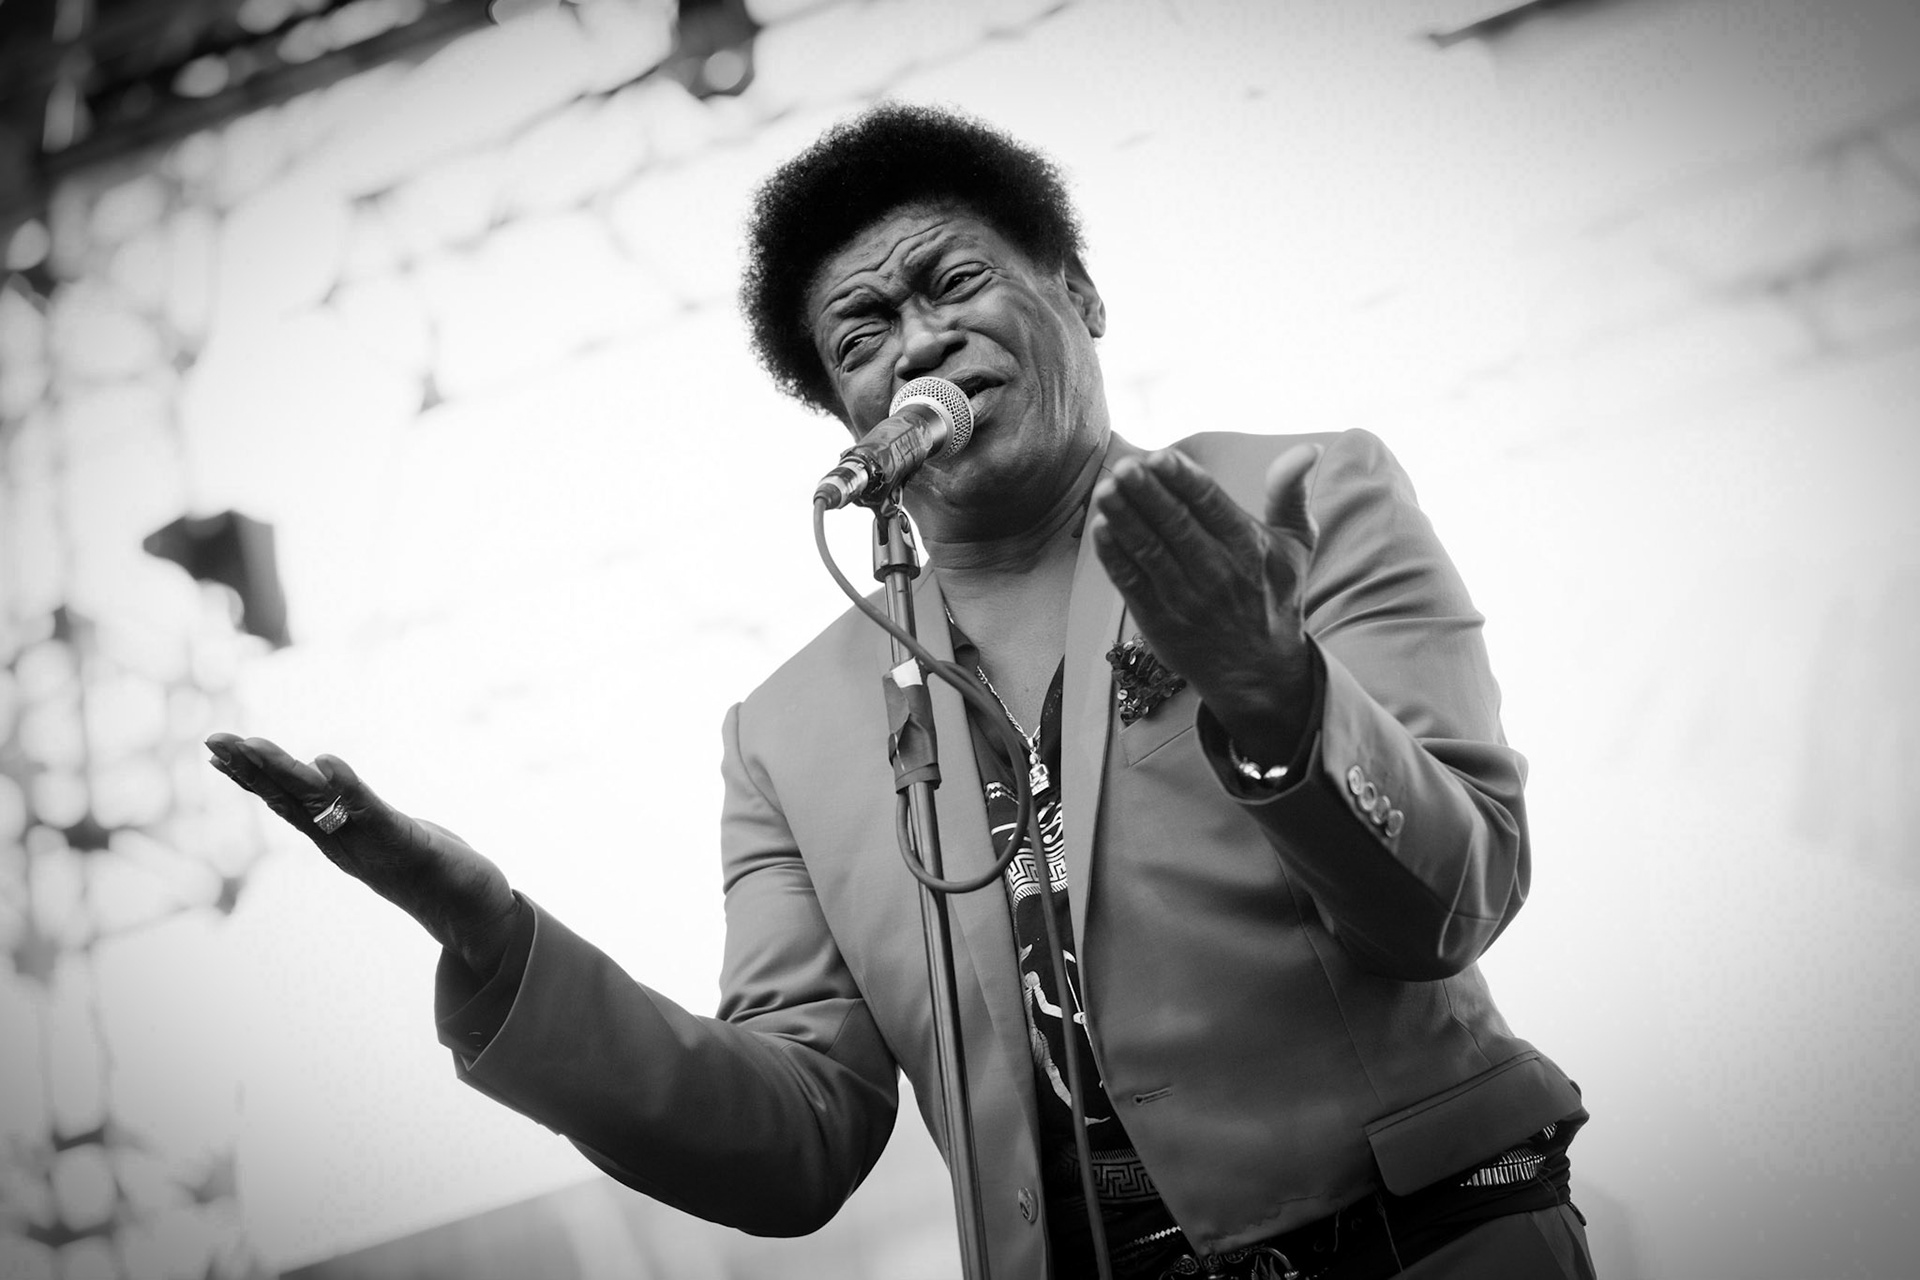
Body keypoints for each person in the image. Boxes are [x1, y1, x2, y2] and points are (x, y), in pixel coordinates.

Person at [207, 104, 1595, 1280]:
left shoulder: (1295, 495)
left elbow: (1457, 896)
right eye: (863, 333)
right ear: (851, 422)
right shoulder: (786, 731)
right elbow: (797, 1137)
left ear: (1080, 294)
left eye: (949, 284)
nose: (915, 344)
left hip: (1430, 1242)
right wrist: (499, 946)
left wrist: (1281, 698)